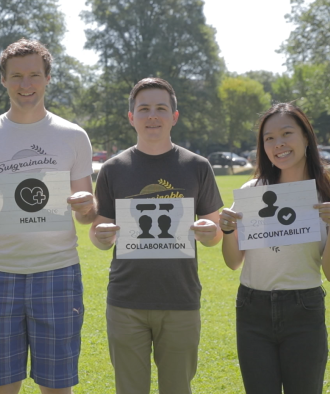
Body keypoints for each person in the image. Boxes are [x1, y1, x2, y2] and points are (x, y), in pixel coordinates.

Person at [0, 39, 96, 394]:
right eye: (17, 76)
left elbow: (87, 213)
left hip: (58, 274)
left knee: (56, 387)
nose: (26, 85)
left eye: (34, 75)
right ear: (3, 80)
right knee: (1, 387)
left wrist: (86, 206)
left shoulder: (73, 136)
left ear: (48, 78)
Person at [89, 77, 223, 394]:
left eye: (161, 108)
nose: (152, 115)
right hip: (126, 301)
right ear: (131, 117)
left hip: (180, 298)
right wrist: (103, 236)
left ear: (174, 116)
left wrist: (209, 233)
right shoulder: (112, 168)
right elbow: (97, 233)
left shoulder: (197, 166)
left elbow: (216, 232)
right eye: (144, 108)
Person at [219, 103, 330, 394]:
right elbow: (233, 262)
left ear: (306, 137)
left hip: (303, 310)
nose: (278, 143)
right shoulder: (251, 191)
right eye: (269, 138)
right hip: (252, 308)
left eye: (286, 133)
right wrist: (227, 231)